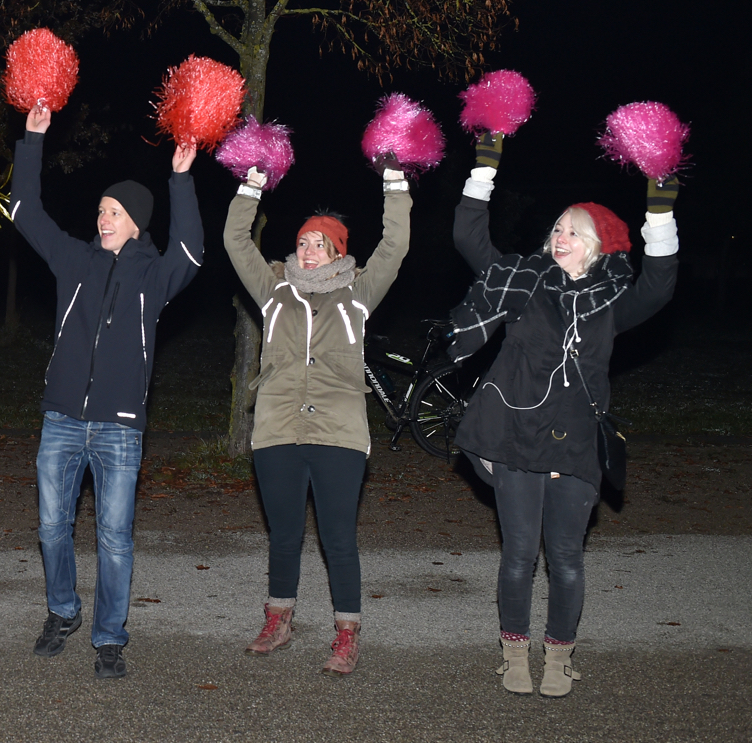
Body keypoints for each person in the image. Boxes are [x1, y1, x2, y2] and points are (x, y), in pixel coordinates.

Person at [448, 133, 679, 697]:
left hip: (574, 443)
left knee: (567, 559)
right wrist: (484, 166)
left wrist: (660, 210)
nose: (560, 237)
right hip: (514, 438)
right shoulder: (524, 284)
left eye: (574, 231)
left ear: (598, 246)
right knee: (519, 555)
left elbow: (660, 282)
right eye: (557, 227)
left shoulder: (612, 305)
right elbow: (467, 236)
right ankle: (514, 654)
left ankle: (558, 658)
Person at [10, 104, 203, 678]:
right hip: (63, 417)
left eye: (113, 211)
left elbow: (191, 250)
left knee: (115, 538)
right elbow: (24, 210)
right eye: (99, 209)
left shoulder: (155, 274)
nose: (102, 218)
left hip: (119, 425)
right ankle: (63, 611)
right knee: (51, 526)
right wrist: (32, 139)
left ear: (137, 222)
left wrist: (181, 179)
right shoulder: (75, 260)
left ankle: (109, 637)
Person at [223, 159, 412, 676]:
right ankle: (278, 620)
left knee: (337, 539)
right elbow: (236, 240)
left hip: (339, 433)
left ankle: (346, 634)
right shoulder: (274, 289)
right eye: (303, 241)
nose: (307, 250)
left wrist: (395, 184)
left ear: (338, 252)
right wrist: (252, 184)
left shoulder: (358, 294)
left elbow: (394, 245)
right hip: (279, 429)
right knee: (283, 536)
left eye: (319, 244)